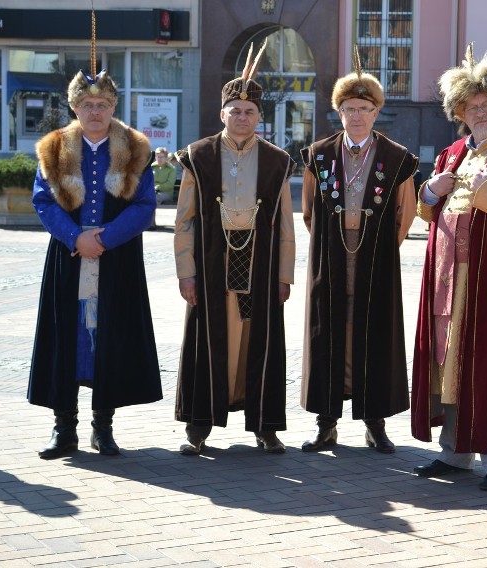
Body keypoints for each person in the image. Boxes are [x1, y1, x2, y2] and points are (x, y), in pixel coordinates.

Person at [410, 45, 487, 491]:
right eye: (471, 107)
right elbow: (430, 213)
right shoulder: (450, 153)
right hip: (446, 277)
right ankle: (455, 449)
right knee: (449, 360)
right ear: (459, 112)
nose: (479, 113)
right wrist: (429, 192)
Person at [29, 68, 162, 459]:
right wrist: (75, 238)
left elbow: (145, 207)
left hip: (116, 257)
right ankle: (63, 429)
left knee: (111, 338)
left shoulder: (136, 148)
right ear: (73, 107)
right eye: (87, 105)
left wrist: (102, 239)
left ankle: (103, 428)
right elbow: (43, 202)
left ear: (114, 106)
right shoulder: (53, 148)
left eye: (102, 104)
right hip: (68, 257)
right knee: (65, 339)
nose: (95, 111)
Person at [173, 41, 294, 455]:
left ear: (260, 117)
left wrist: (283, 276)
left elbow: (286, 228)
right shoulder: (198, 156)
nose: (242, 117)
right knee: (209, 344)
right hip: (210, 270)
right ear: (221, 113)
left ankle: (264, 426)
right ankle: (199, 426)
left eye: (250, 112)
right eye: (235, 111)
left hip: (259, 270)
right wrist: (185, 272)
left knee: (257, 345)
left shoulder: (278, 161)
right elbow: (184, 220)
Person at [299, 54, 419, 454]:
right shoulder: (318, 154)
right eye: (349, 109)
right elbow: (309, 212)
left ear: (376, 111)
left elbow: (406, 214)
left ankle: (375, 423)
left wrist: (377, 248)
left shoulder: (396, 157)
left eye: (365, 109)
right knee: (327, 333)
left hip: (376, 261)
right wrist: (335, 244)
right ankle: (326, 423)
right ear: (339, 112)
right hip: (331, 259)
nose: (357, 116)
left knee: (374, 335)